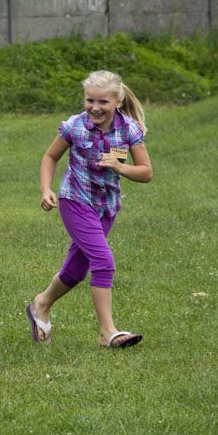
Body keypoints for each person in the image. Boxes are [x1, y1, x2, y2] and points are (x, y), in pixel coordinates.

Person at [25, 70, 153, 349]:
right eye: (89, 100)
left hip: (107, 207)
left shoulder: (129, 130)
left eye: (103, 102)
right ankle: (108, 332)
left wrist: (120, 166)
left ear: (117, 101)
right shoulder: (74, 126)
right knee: (104, 262)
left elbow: (146, 172)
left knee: (76, 269)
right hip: (75, 200)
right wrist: (46, 189)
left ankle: (41, 304)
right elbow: (50, 156)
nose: (95, 107)